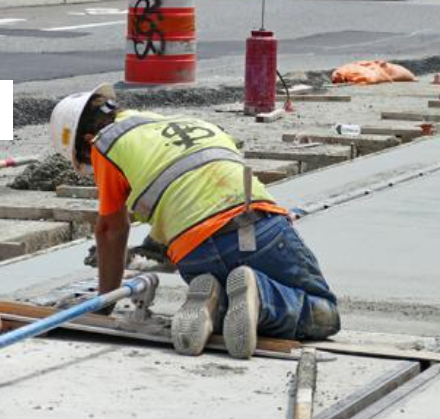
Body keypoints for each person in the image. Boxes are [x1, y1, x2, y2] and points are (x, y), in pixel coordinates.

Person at [49, 84, 340, 359]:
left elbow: (110, 229)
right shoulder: (191, 123)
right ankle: (253, 297)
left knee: (310, 310)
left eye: (84, 162)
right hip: (258, 229)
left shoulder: (105, 144)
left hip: (195, 254)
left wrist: (105, 302)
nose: (92, 168)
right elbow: (193, 186)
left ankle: (219, 303)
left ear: (86, 141)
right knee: (322, 312)